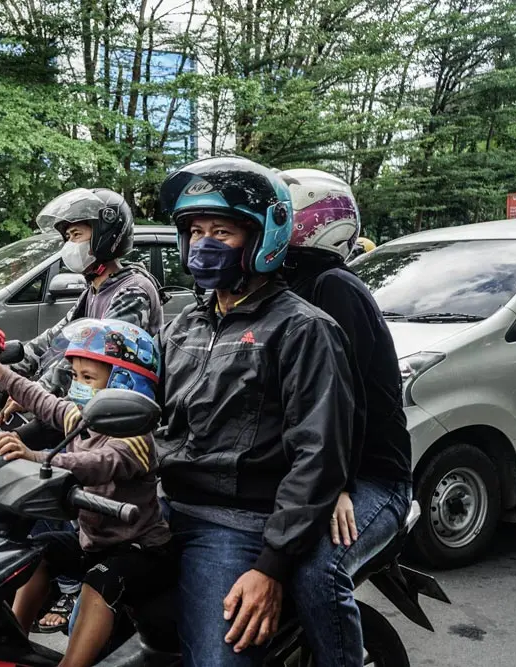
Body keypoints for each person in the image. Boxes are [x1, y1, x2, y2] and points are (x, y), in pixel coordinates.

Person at [155, 156, 358, 666]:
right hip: (160, 506)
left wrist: (271, 565)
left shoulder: (303, 329)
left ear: (263, 236)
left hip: (235, 524)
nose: (203, 243)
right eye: (195, 230)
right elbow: (138, 405)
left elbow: (318, 454)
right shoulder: (185, 325)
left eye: (221, 231)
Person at [0, 187, 165, 632]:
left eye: (79, 232)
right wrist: (7, 357)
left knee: (41, 471)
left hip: (112, 416)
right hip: (81, 405)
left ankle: (71, 582)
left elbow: (96, 360)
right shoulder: (94, 288)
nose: (71, 243)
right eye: (67, 235)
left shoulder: (131, 290)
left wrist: (39, 391)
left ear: (107, 233)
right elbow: (58, 340)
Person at [0, 319, 171, 667]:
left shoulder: (137, 438)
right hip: (92, 542)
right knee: (38, 552)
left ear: (123, 386)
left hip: (141, 550)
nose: (77, 386)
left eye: (88, 378)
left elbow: (97, 463)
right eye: (75, 376)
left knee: (103, 579)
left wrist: (38, 457)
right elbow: (41, 399)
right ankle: (16, 643)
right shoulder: (83, 418)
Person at [278, 168, 412, 667]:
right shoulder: (280, 285)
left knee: (318, 569)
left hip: (370, 477)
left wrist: (333, 486)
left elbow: (343, 400)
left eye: (283, 213)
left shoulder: (334, 287)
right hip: (310, 471)